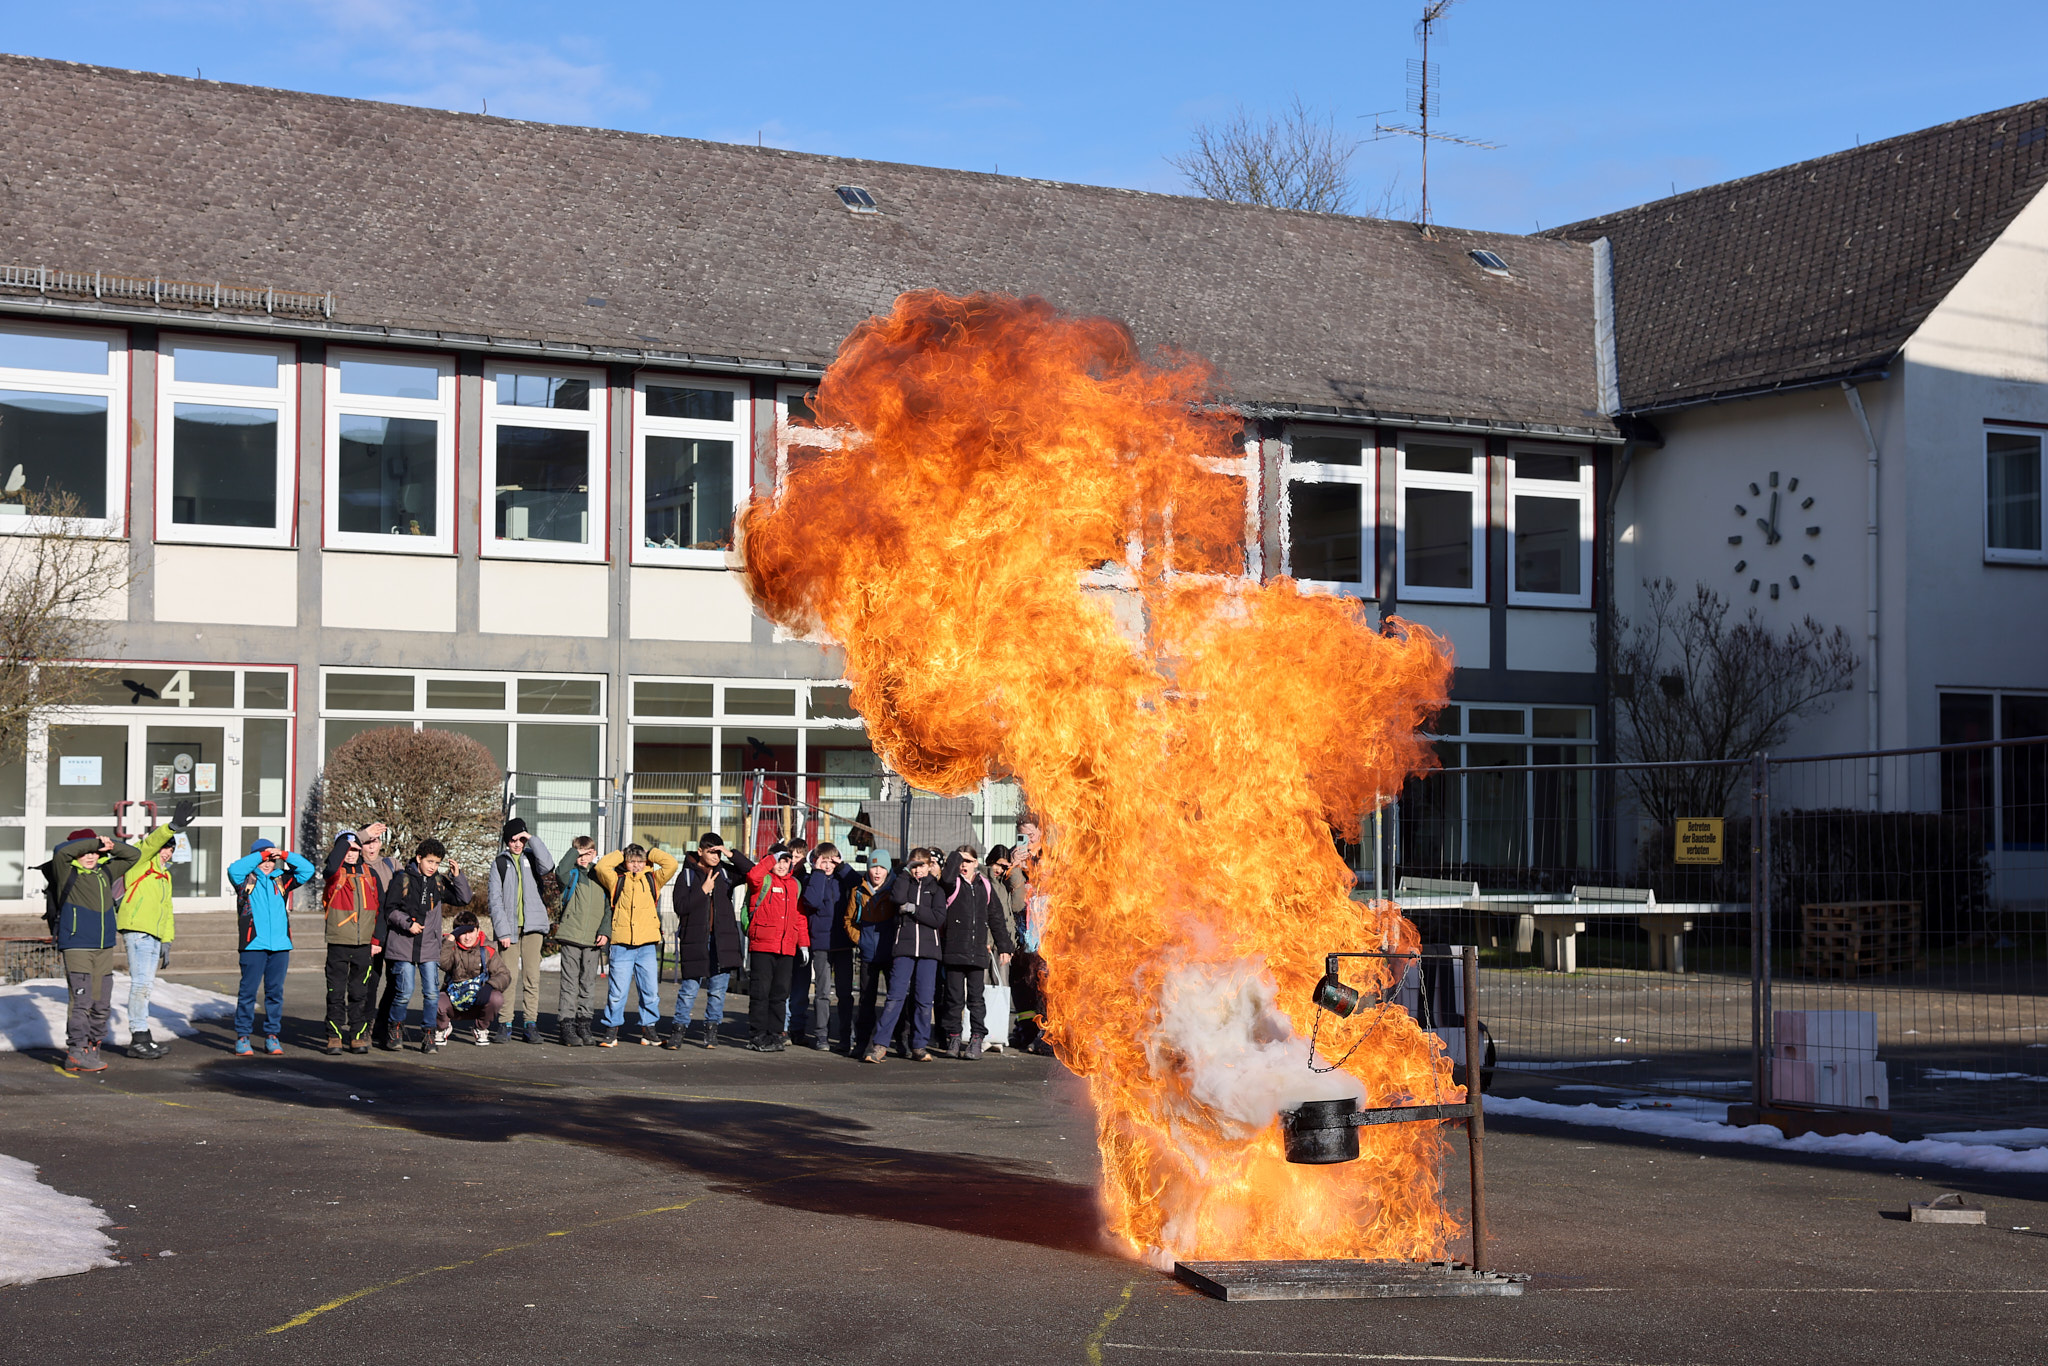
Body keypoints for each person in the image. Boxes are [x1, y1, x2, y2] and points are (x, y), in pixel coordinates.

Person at [50, 829, 140, 1073]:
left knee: (101, 1003)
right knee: (82, 1001)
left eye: (94, 852)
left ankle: (92, 1046)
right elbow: (61, 851)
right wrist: (94, 842)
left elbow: (133, 855)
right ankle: (76, 1052)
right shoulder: (66, 871)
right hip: (77, 945)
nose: (90, 856)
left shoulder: (105, 871)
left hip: (104, 947)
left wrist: (110, 845)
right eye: (85, 852)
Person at [116, 802, 195, 1061]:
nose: (166, 853)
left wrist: (167, 941)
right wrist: (172, 827)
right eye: (164, 848)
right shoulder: (140, 862)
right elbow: (149, 844)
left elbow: (167, 909)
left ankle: (143, 1036)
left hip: (154, 934)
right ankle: (138, 1037)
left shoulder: (165, 876)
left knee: (146, 986)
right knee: (140, 985)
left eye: (171, 849)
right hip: (137, 930)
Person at [380, 839, 473, 1053]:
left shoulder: (438, 882)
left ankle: (429, 1034)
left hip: (429, 946)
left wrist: (457, 876)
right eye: (429, 861)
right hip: (403, 945)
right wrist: (408, 923)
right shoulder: (402, 879)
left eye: (437, 863)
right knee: (404, 991)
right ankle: (395, 1029)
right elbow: (390, 910)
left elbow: (463, 898)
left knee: (431, 993)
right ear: (419, 858)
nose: (433, 866)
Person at [226, 838, 316, 1056]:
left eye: (271, 860)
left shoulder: (281, 879)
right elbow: (233, 869)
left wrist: (283, 855)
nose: (267, 863)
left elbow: (307, 870)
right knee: (248, 992)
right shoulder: (245, 879)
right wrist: (261, 854)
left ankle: (272, 1035)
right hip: (253, 945)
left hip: (280, 946)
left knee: (275, 993)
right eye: (263, 859)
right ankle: (243, 1036)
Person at [667, 832, 750, 1050]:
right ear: (700, 851)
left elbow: (751, 871)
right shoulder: (687, 875)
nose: (715, 856)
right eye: (711, 852)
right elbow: (680, 907)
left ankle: (711, 1031)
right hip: (696, 940)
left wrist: (730, 854)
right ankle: (678, 1031)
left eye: (718, 852)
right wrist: (703, 891)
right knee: (689, 989)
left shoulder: (725, 872)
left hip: (723, 941)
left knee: (717, 990)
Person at [864, 847, 947, 1064]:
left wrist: (914, 909)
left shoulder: (937, 890)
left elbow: (937, 918)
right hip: (903, 949)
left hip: (929, 951)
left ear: (929, 866)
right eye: (914, 866)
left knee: (923, 1000)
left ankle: (919, 1045)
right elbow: (897, 898)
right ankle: (880, 1045)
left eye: (921, 866)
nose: (918, 870)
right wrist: (905, 872)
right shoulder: (904, 882)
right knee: (895, 997)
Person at [592, 842, 679, 1048]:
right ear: (625, 862)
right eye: (632, 861)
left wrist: (652, 853)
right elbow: (601, 867)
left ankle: (649, 1029)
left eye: (640, 861)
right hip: (621, 944)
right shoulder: (616, 880)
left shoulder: (653, 879)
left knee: (650, 991)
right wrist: (621, 854)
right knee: (617, 992)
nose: (636, 865)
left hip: (646, 945)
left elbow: (672, 864)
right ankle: (611, 1030)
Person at [937, 845, 1018, 1060]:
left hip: (977, 952)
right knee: (954, 999)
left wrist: (1005, 946)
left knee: (976, 1000)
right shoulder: (952, 883)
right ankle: (954, 1038)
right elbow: (946, 879)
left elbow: (996, 918)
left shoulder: (985, 885)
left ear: (976, 863)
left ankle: (976, 1038)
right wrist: (954, 857)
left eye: (968, 861)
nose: (963, 865)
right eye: (960, 860)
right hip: (954, 951)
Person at [487, 817, 556, 1045]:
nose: (517, 844)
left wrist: (531, 839)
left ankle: (530, 1024)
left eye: (521, 839)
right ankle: (505, 1023)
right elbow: (495, 900)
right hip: (509, 929)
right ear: (506, 841)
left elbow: (548, 865)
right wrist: (502, 931)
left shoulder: (533, 858)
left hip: (533, 927)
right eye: (513, 840)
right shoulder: (499, 863)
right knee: (508, 977)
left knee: (532, 978)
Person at [321, 823, 386, 1055]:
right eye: (346, 848)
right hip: (338, 942)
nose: (351, 853)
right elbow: (330, 866)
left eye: (355, 849)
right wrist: (351, 839)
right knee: (335, 993)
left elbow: (381, 909)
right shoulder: (334, 874)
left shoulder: (370, 874)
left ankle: (358, 1036)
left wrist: (377, 940)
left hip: (364, 945)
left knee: (360, 994)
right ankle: (334, 1037)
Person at [743, 843, 807, 1052]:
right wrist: (771, 858)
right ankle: (757, 1035)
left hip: (786, 948)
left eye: (786, 861)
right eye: (778, 861)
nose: (782, 865)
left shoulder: (795, 884)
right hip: (763, 945)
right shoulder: (763, 880)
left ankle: (776, 1034)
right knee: (760, 993)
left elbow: (799, 917)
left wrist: (803, 944)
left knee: (780, 994)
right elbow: (752, 876)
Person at [797, 842, 859, 1052]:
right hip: (821, 944)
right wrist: (818, 874)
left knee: (845, 993)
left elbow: (858, 883)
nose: (827, 865)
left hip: (842, 943)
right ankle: (821, 1035)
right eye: (823, 860)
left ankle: (846, 1036)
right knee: (822, 993)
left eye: (831, 861)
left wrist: (842, 867)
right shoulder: (811, 880)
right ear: (815, 862)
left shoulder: (843, 880)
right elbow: (812, 901)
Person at [550, 836, 609, 1046]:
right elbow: (560, 871)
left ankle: (584, 1024)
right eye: (580, 854)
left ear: (594, 854)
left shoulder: (601, 876)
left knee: (588, 984)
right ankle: (566, 1025)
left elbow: (608, 907)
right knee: (569, 984)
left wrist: (605, 931)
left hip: (593, 939)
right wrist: (575, 852)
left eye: (588, 854)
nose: (583, 858)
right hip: (571, 937)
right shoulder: (572, 874)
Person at [844, 854, 894, 1058]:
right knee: (866, 1001)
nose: (877, 871)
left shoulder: (895, 890)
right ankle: (862, 1042)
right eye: (874, 867)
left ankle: (901, 1042)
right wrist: (861, 940)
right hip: (868, 954)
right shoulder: (858, 891)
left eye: (882, 867)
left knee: (896, 999)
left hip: (891, 954)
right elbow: (849, 920)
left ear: (888, 870)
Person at [437, 911, 512, 1047]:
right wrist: (450, 939)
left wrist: (489, 986)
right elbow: (443, 964)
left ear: (478, 931)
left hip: (478, 1000)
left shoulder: (487, 949)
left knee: (496, 998)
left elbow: (504, 974)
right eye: (462, 933)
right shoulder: (451, 947)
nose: (467, 937)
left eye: (471, 931)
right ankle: (443, 1027)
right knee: (435, 1001)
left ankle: (480, 1028)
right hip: (453, 999)